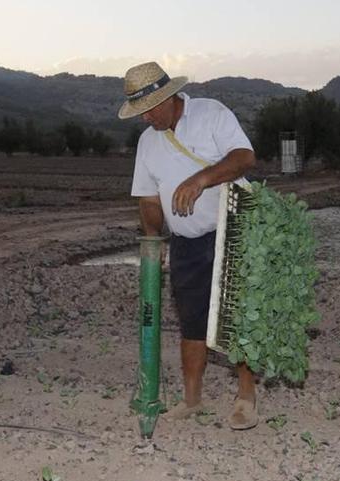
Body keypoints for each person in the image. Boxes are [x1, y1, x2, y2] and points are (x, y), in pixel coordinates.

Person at [118, 61, 259, 430]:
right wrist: (154, 242)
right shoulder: (148, 142)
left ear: (168, 97)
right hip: (187, 243)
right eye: (140, 113)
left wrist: (201, 179)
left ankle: (246, 398)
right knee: (192, 321)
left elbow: (244, 158)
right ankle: (192, 399)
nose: (146, 118)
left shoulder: (211, 114)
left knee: (236, 318)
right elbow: (148, 200)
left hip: (232, 232)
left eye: (150, 109)